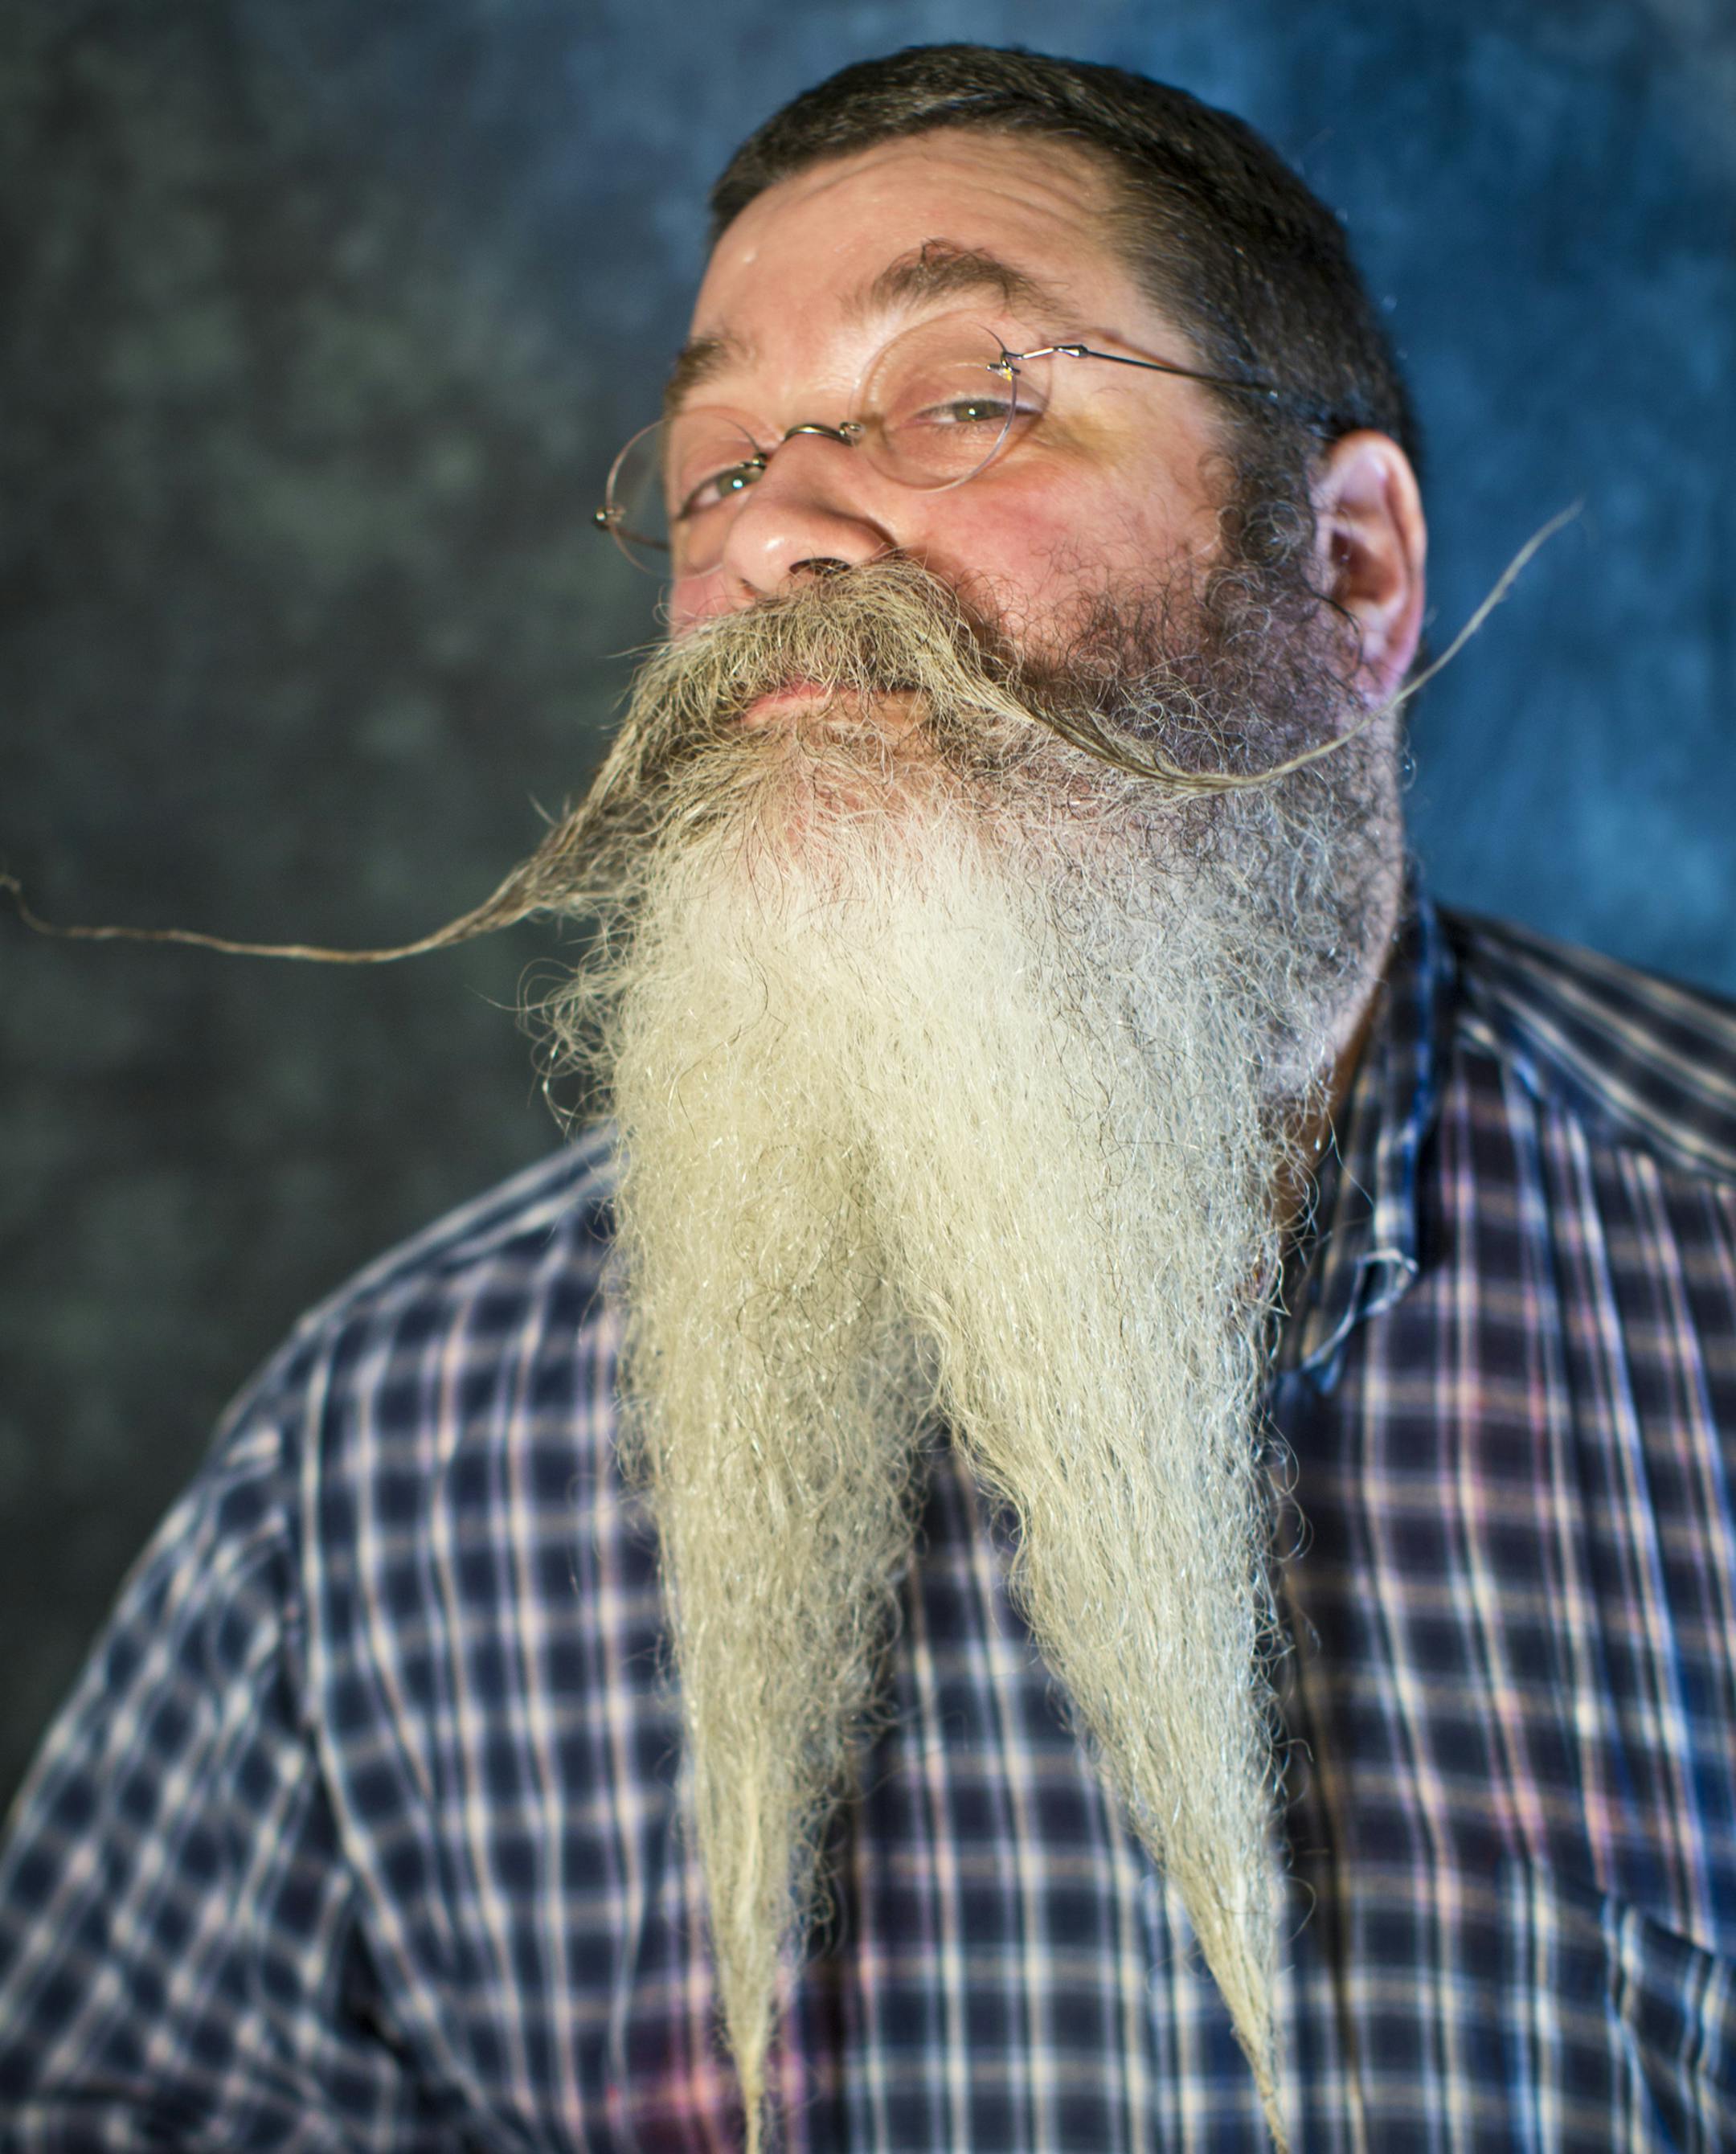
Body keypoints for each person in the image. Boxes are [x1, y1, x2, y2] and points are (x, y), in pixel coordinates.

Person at [2, 41, 1733, 2154]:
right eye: (716, 464)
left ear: (1353, 568)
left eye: (962, 400)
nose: (776, 533)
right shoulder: (383, 1460)